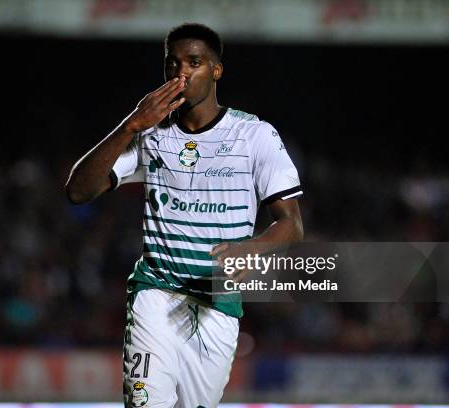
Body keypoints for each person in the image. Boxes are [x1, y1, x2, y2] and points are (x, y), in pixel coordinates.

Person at [66, 23, 303, 408]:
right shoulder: (151, 135)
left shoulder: (254, 135)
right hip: (155, 296)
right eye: (173, 64)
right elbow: (78, 191)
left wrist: (253, 249)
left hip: (217, 307)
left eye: (194, 62)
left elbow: (292, 224)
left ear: (216, 70)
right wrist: (131, 125)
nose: (182, 73)